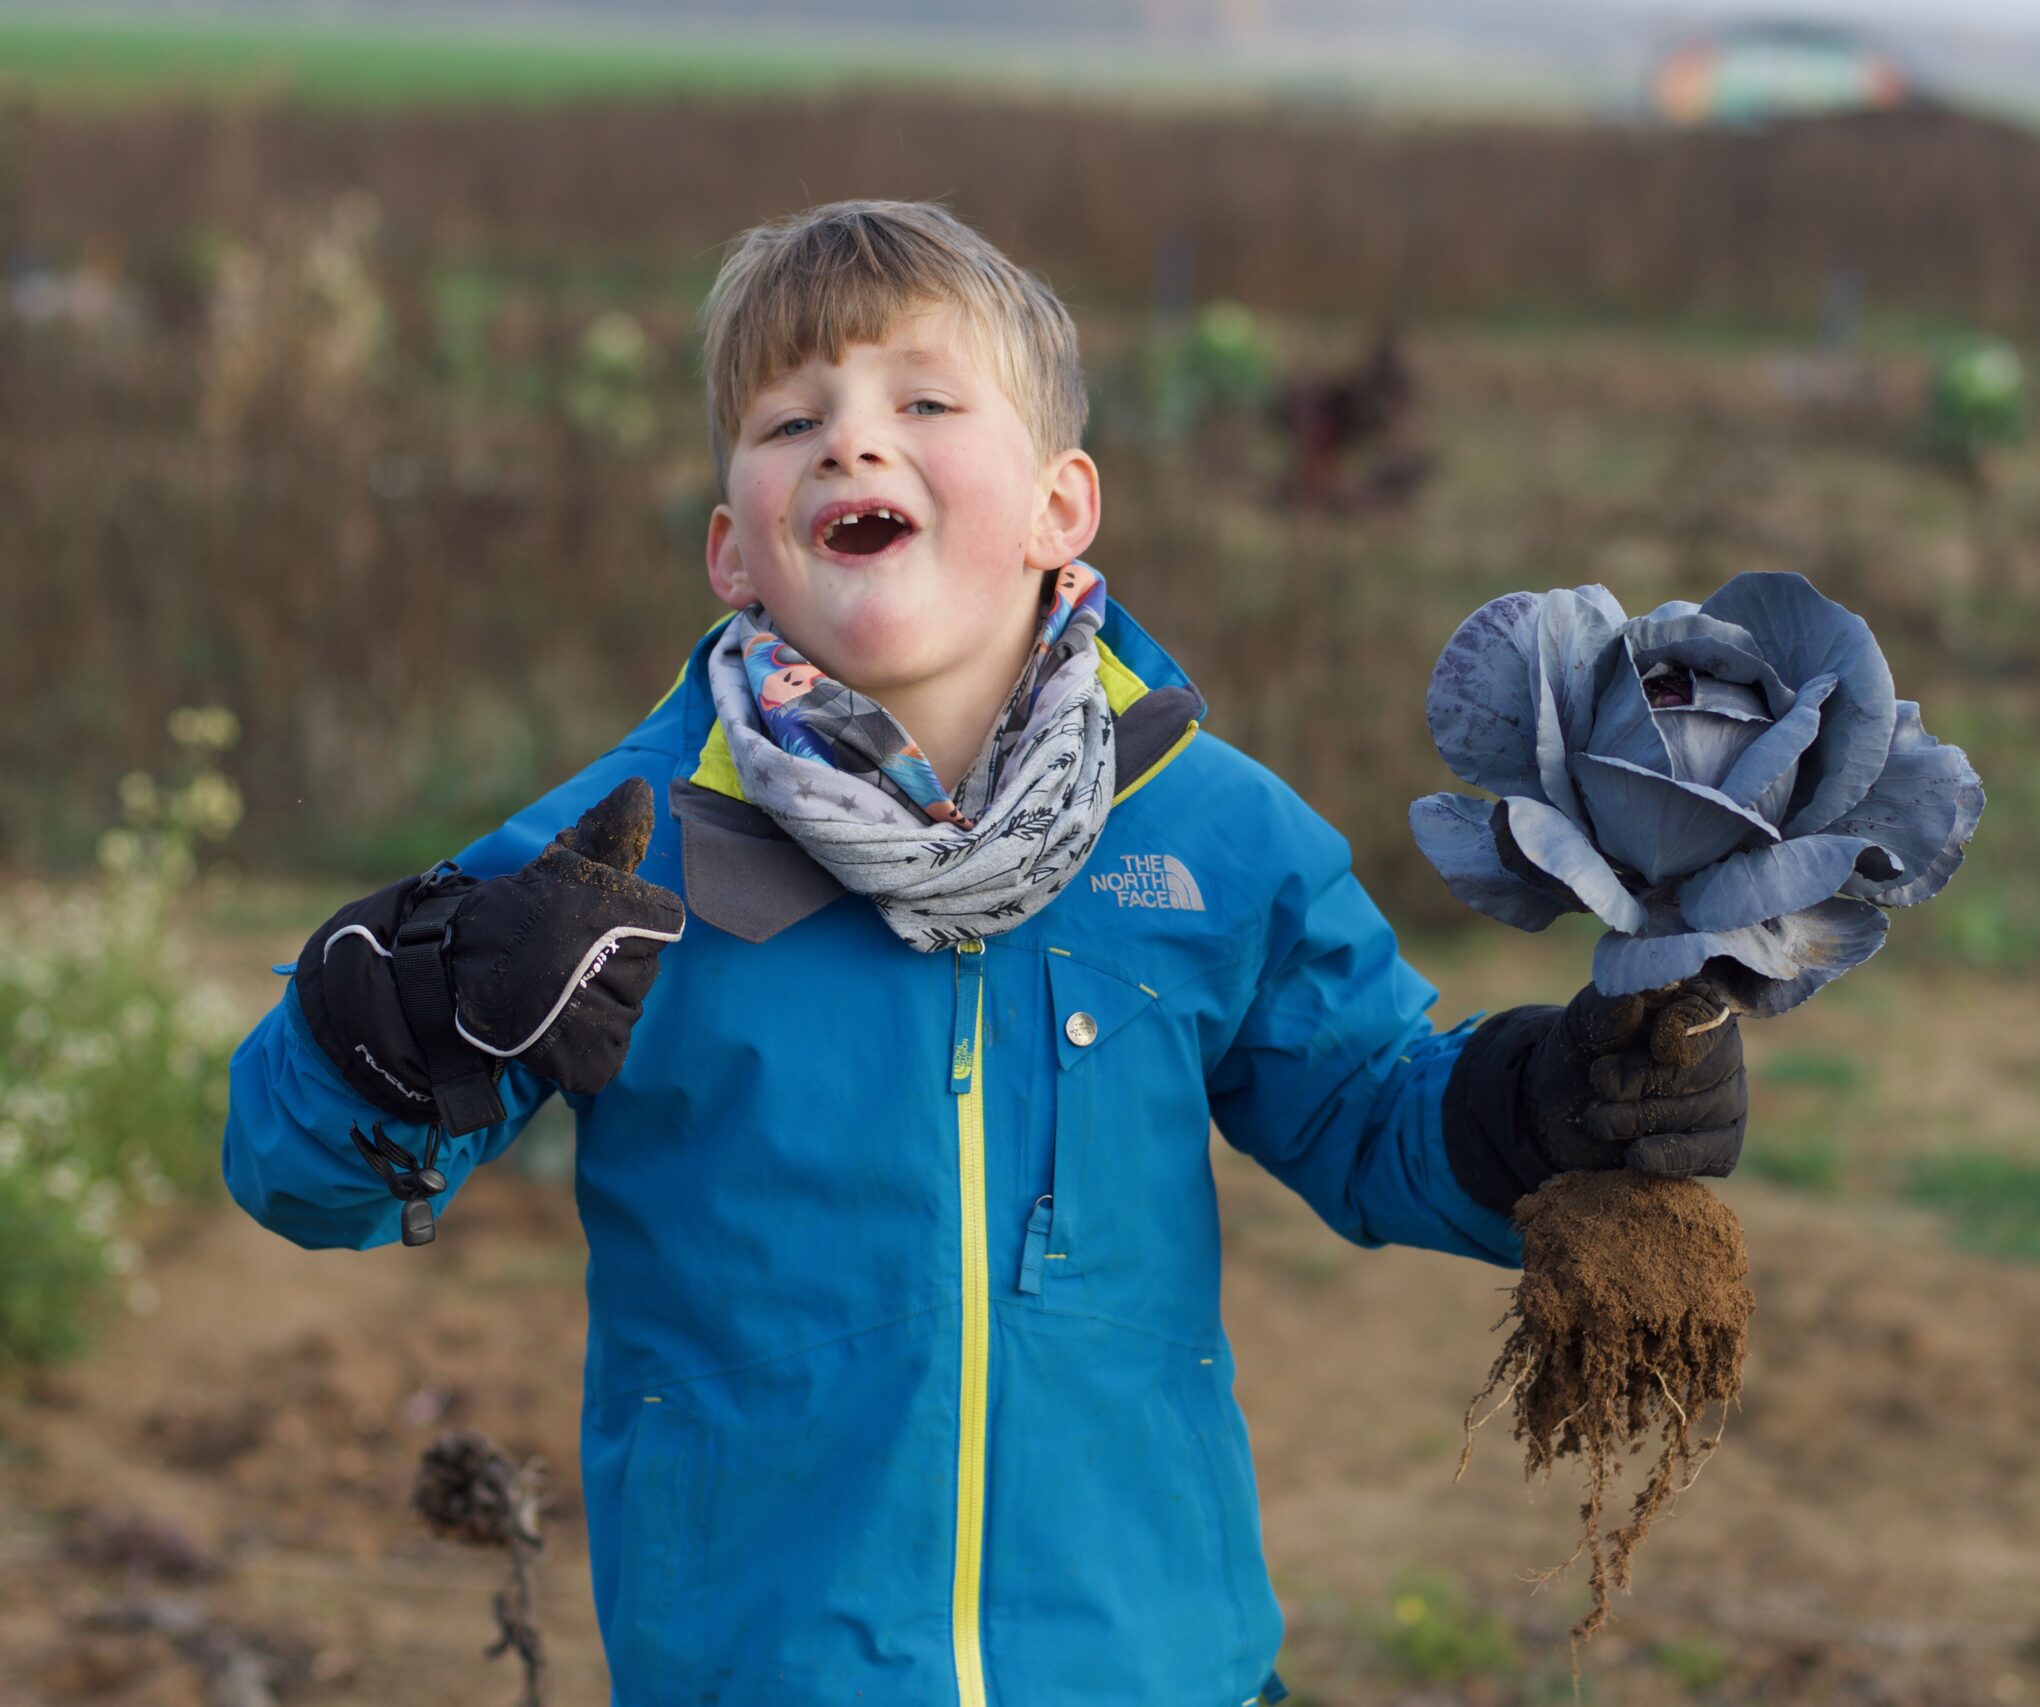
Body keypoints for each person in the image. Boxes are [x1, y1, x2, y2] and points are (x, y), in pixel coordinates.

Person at [222, 199, 1748, 1706]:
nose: (850, 440)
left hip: (1156, 1672)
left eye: (926, 399)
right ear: (729, 552)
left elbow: (1364, 1113)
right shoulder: (616, 855)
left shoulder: (1213, 833)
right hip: (760, 1673)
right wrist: (396, 1019)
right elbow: (299, 1171)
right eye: (788, 420)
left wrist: (1538, 1109)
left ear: (1059, 507)